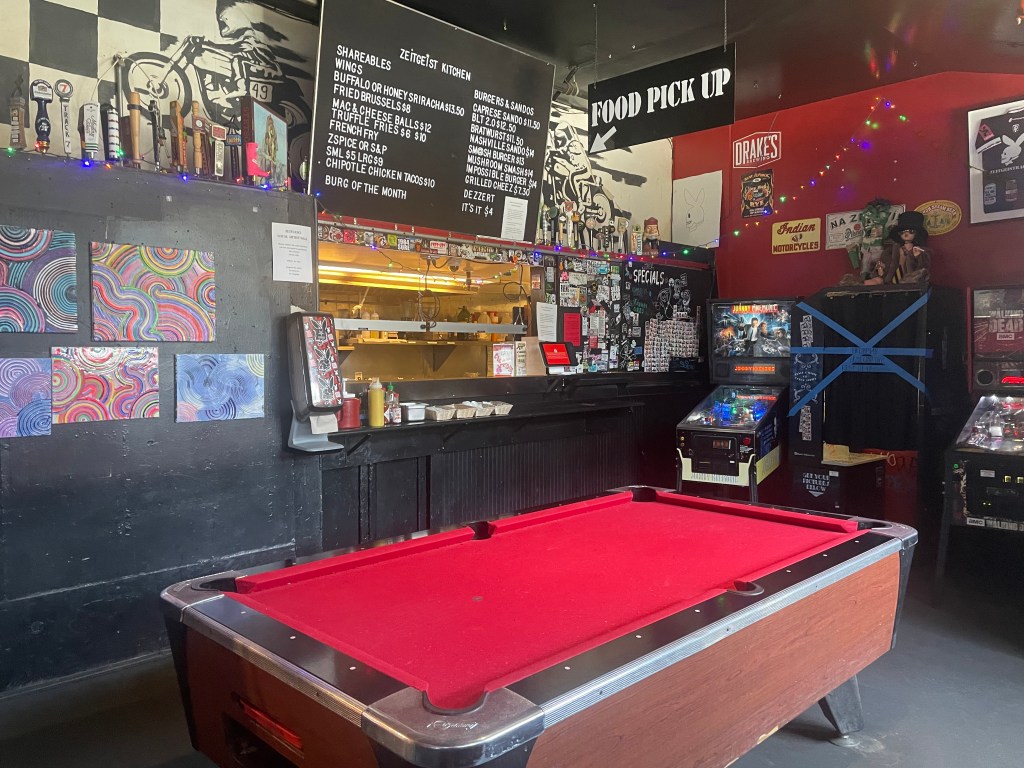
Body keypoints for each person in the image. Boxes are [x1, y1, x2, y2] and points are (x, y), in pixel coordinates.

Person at [865, 210, 932, 285]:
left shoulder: (920, 251)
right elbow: (883, 268)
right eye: (902, 232)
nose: (906, 234)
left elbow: (922, 269)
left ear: (917, 233)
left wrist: (916, 257)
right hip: (889, 282)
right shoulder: (890, 251)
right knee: (874, 281)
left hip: (910, 282)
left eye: (911, 231)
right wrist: (881, 268)